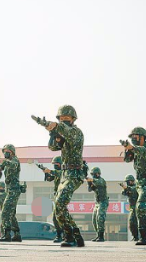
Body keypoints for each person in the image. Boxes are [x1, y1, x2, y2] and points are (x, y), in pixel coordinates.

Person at [43, 105, 85, 247]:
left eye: (67, 118)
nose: (64, 121)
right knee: (58, 207)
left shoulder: (76, 132)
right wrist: (52, 133)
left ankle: (69, 236)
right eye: (61, 119)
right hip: (65, 174)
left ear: (73, 119)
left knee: (60, 203)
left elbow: (67, 131)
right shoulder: (63, 133)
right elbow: (52, 147)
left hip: (75, 173)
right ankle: (76, 235)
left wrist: (56, 127)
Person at [121, 127, 146, 245]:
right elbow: (127, 160)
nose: (133, 139)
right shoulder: (135, 149)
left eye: (135, 137)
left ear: (142, 137)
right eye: (132, 137)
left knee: (140, 208)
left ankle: (144, 237)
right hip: (139, 182)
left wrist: (131, 147)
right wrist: (128, 150)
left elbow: (140, 150)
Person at [0, 144, 22, 242]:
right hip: (9, 190)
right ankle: (17, 234)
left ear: (12, 152)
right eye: (4, 151)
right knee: (11, 213)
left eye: (8, 151)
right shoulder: (8, 162)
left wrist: (4, 162)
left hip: (14, 190)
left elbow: (13, 165)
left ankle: (6, 234)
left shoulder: (15, 160)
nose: (5, 153)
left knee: (5, 212)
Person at [41, 156, 63, 243]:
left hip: (62, 196)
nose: (55, 166)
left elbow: (59, 173)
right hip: (57, 196)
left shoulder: (64, 172)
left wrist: (49, 171)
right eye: (54, 164)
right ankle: (61, 235)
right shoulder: (56, 173)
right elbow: (49, 179)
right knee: (57, 218)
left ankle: (63, 235)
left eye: (56, 164)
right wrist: (45, 173)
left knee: (57, 217)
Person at [86, 167, 108, 242]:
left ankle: (101, 236)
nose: (94, 175)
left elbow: (98, 182)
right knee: (94, 220)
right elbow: (89, 190)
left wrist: (91, 180)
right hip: (97, 203)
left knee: (100, 218)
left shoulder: (102, 181)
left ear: (98, 173)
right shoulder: (94, 182)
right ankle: (98, 235)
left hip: (103, 202)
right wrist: (89, 183)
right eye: (92, 174)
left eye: (94, 174)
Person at [121, 174, 139, 241]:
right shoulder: (128, 188)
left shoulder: (136, 187)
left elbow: (132, 190)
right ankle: (135, 236)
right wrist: (125, 189)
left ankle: (136, 236)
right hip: (132, 208)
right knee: (132, 223)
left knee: (133, 222)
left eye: (128, 182)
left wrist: (126, 188)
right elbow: (123, 193)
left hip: (136, 207)